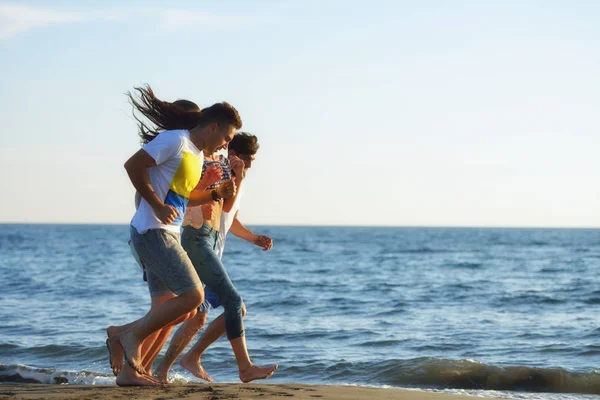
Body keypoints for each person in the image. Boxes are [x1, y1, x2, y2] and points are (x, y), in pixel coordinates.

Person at [107, 85, 240, 386]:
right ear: (213, 126)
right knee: (194, 296)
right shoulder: (175, 140)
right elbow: (132, 166)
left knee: (185, 309)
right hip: (151, 232)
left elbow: (181, 197)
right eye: (226, 138)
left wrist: (216, 193)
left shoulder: (192, 153)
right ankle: (129, 337)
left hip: (167, 233)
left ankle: (128, 362)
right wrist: (155, 203)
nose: (224, 146)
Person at [153, 133, 274, 383]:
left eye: (252, 161)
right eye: (247, 159)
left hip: (210, 246)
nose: (250, 165)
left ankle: (172, 365)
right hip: (198, 241)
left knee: (202, 314)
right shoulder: (220, 169)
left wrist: (253, 238)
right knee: (232, 303)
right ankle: (244, 367)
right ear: (233, 154)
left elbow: (229, 218)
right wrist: (236, 176)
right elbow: (216, 204)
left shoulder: (235, 175)